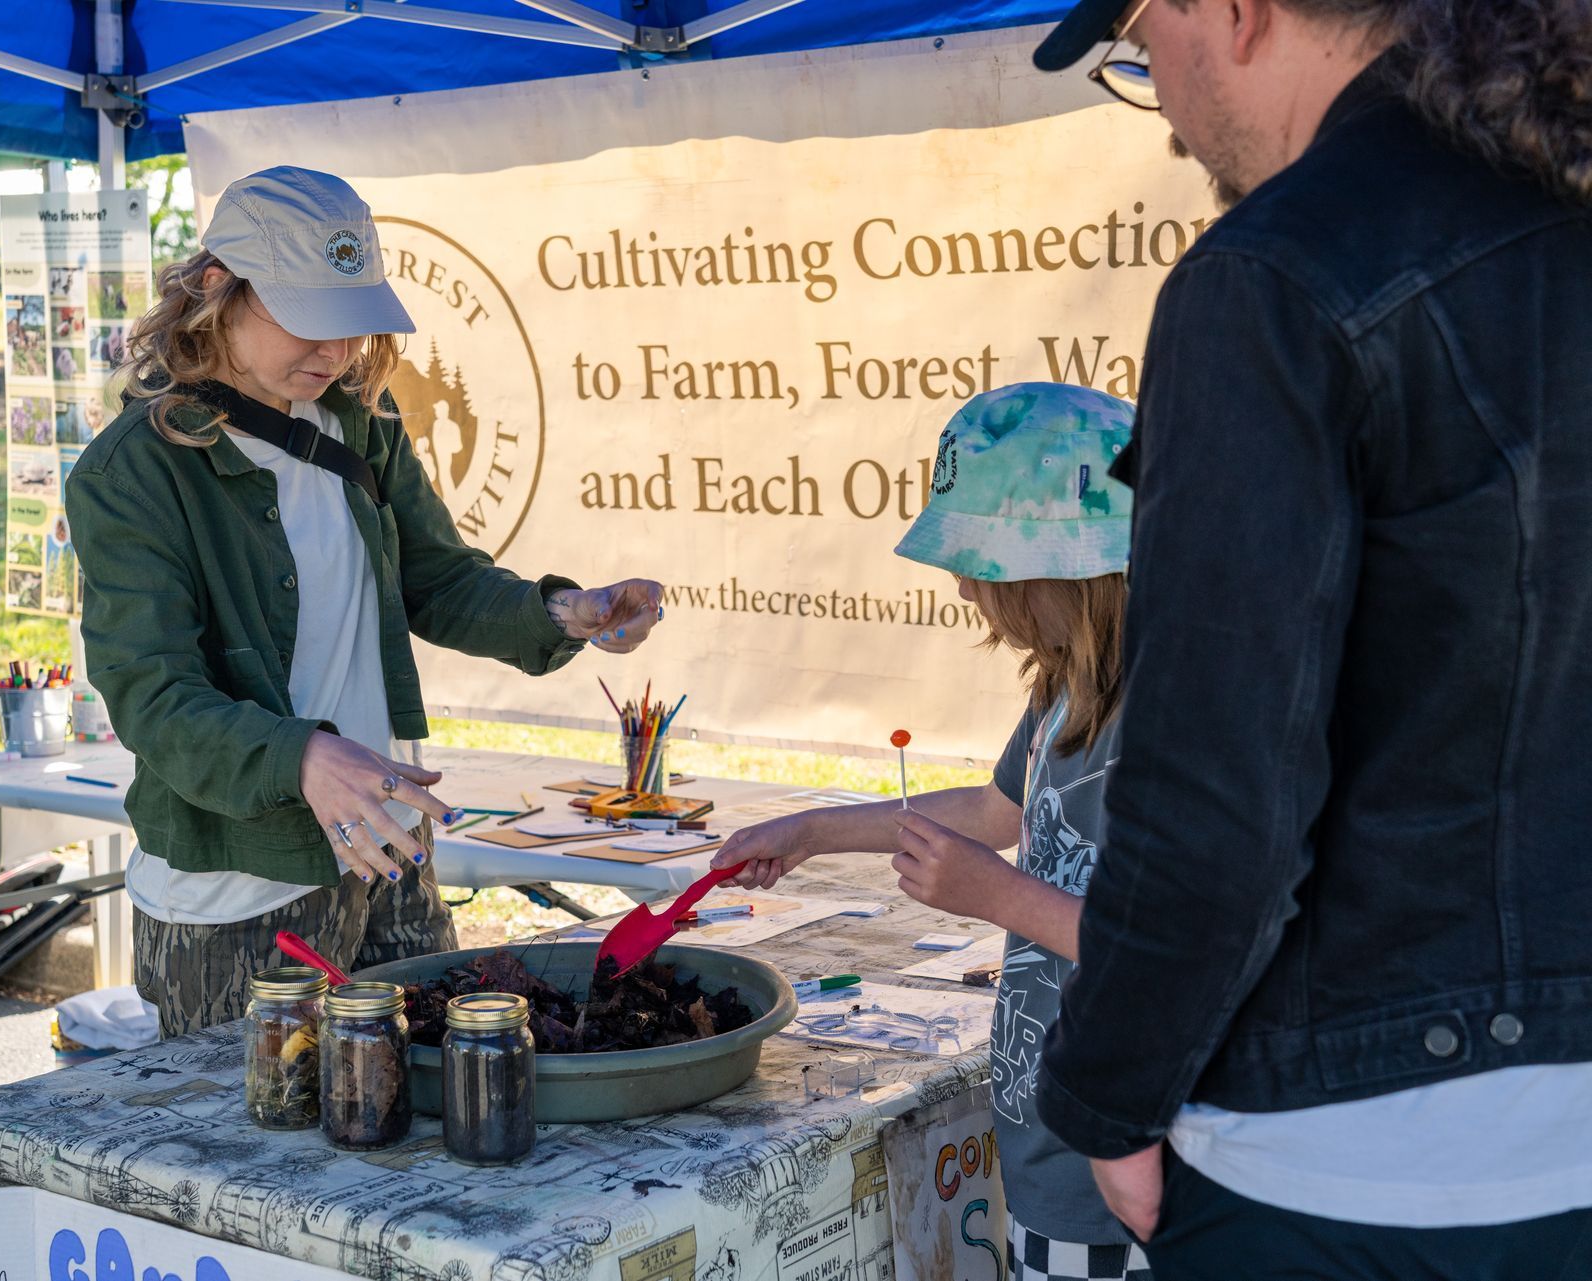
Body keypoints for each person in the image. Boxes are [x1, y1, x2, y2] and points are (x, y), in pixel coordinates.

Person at [1024, 1, 1592, 1275]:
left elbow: (1217, 796)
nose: (1159, 102)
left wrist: (1108, 1096)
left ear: (1229, 12)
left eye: (1137, 51)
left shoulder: (1278, 272)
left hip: (1357, 1157)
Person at [67, 167, 665, 1039]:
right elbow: (153, 698)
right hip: (238, 891)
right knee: (263, 1158)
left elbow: (438, 578)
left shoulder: (359, 424)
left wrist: (564, 611)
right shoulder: (134, 474)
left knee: (429, 1118)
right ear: (212, 291)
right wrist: (302, 757)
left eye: (352, 324)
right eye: (308, 321)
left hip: (384, 850)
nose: (336, 353)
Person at [713, 383, 1148, 1281]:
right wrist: (814, 829)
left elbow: (1173, 950)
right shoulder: (1071, 682)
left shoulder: (1177, 708)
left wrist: (996, 894)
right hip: (1052, 1135)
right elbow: (1000, 809)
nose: (962, 587)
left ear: (1057, 569)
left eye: (979, 565)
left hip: (1121, 1165)